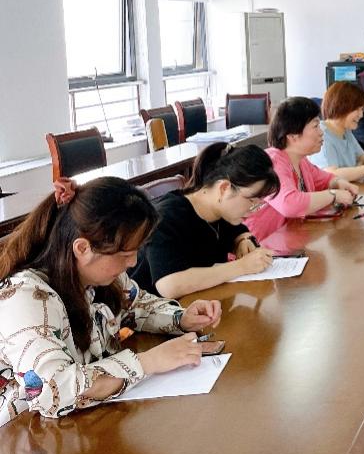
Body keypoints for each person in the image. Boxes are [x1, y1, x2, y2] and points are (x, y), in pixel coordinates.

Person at [0, 177, 222, 427]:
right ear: (82, 248)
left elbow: (136, 305)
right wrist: (147, 362)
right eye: (125, 254)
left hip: (87, 420)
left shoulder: (100, 275)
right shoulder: (25, 297)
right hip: (24, 431)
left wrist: (180, 318)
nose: (133, 262)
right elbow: (53, 389)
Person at [131, 143, 281, 299]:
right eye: (252, 201)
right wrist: (241, 266)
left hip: (202, 304)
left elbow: (237, 231)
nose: (254, 210)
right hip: (148, 309)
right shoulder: (167, 217)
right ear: (224, 188)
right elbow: (170, 285)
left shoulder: (219, 211)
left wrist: (243, 239)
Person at [245, 97, 361, 241]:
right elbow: (289, 204)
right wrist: (333, 195)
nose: (321, 132)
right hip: (262, 246)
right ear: (293, 136)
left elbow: (325, 179)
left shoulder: (300, 160)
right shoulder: (272, 161)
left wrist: (339, 183)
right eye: (315, 126)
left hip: (290, 241)